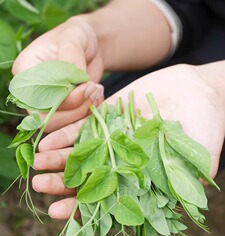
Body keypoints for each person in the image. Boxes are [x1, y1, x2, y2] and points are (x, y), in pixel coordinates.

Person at [12, 0, 225, 219]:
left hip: (204, 93)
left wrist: (216, 87)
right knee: (99, 125)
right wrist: (95, 34)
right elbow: (182, 7)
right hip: (181, 59)